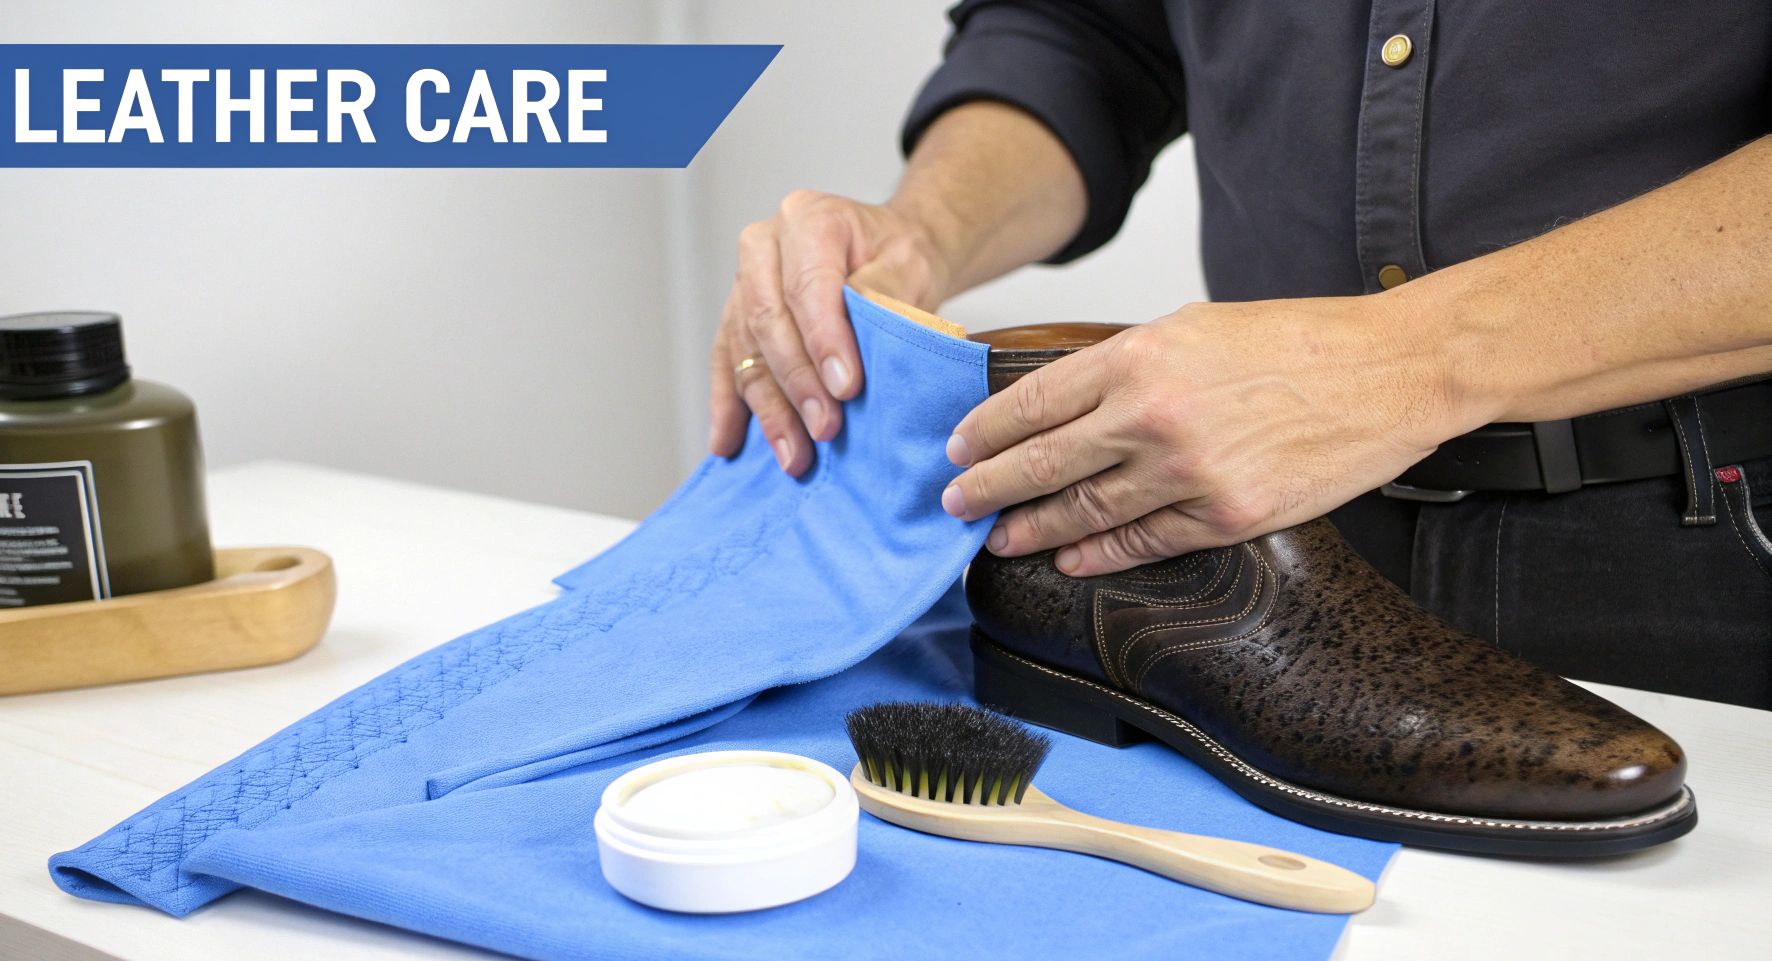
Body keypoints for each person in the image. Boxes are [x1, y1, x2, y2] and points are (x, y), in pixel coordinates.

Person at [704, 2, 1772, 709]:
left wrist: (1401, 362)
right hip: (1251, 535)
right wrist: (923, 230)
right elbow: (1088, 30)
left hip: (1704, 541)